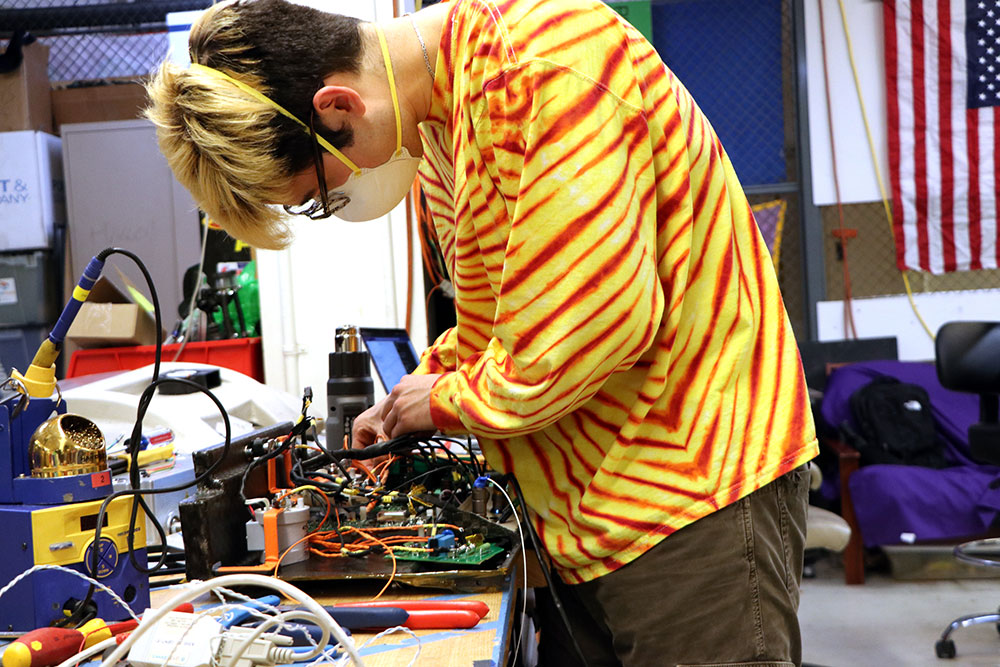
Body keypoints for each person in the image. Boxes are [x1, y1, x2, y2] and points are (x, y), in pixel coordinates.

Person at [146, 0, 818, 664]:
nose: (340, 197)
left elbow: (592, 325)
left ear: (338, 108)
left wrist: (439, 401)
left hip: (689, 488)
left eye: (316, 195)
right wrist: (413, 390)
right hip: (590, 506)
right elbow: (505, 314)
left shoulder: (547, 66)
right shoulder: (444, 122)